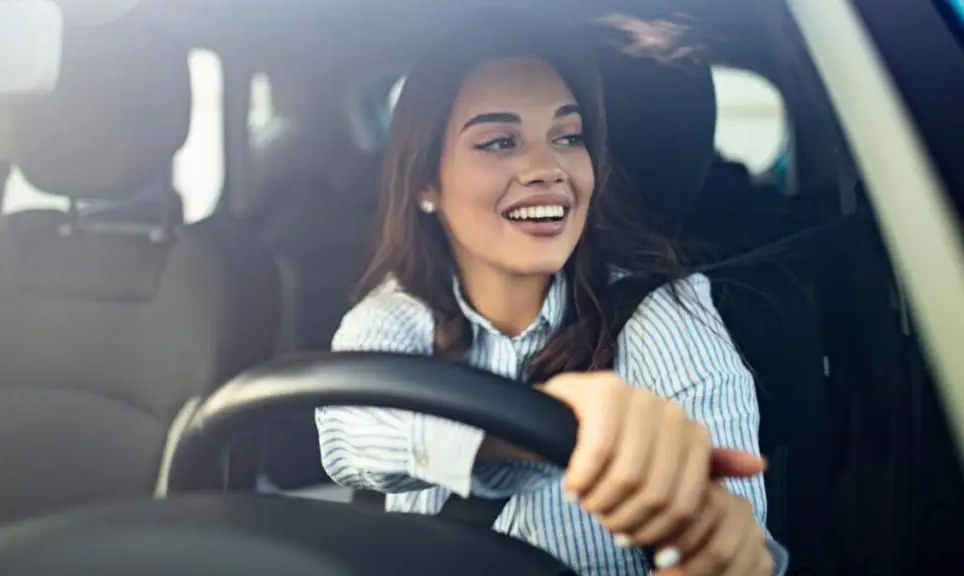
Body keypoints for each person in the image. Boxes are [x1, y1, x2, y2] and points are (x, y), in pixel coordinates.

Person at [315, 11, 788, 576]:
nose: (547, 167)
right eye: (499, 142)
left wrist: (707, 540)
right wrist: (533, 430)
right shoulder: (398, 312)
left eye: (569, 137)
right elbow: (349, 431)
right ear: (425, 184)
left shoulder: (666, 317)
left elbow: (730, 538)